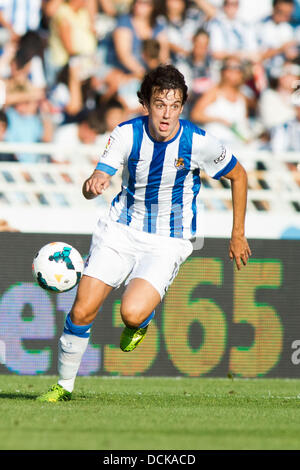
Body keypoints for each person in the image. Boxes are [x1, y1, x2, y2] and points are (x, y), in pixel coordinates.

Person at [36, 64, 251, 402]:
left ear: (182, 106)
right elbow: (93, 183)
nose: (166, 114)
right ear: (147, 104)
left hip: (168, 240)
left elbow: (240, 175)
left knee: (131, 313)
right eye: (160, 104)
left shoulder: (198, 141)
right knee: (81, 310)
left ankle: (141, 319)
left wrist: (237, 233)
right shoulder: (126, 134)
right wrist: (94, 184)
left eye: (174, 105)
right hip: (120, 229)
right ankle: (62, 386)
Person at [190, 56, 253, 148]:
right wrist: (219, 120)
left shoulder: (242, 98)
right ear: (223, 71)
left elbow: (244, 124)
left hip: (237, 145)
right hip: (215, 144)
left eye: (238, 68)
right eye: (230, 68)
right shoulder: (214, 92)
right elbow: (195, 114)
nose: (234, 72)